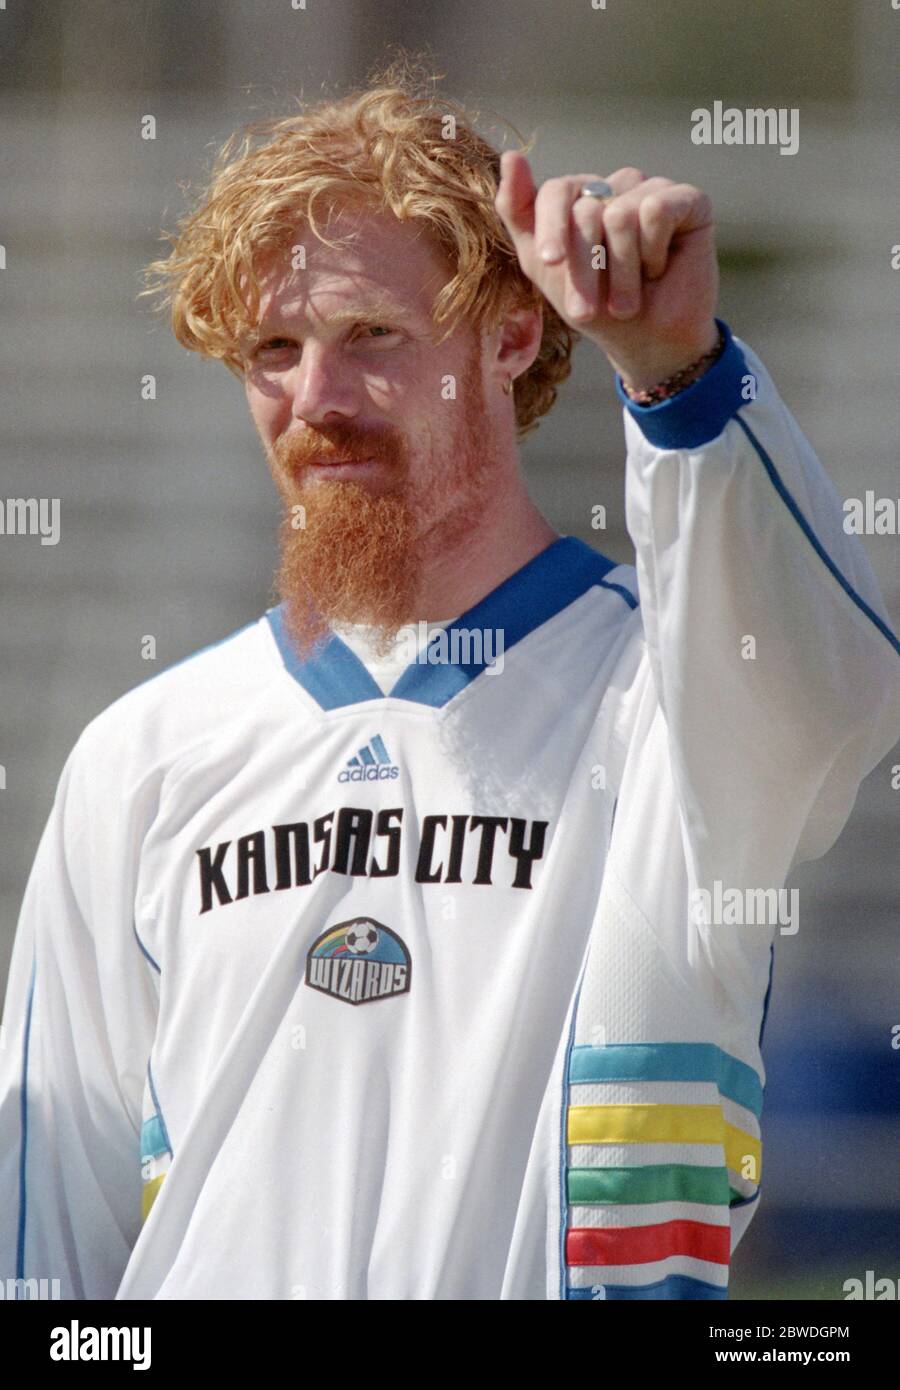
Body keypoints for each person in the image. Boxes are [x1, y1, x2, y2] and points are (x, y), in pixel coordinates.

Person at [1, 65, 897, 1302]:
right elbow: (48, 1246)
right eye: (273, 348)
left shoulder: (672, 700)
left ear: (512, 332)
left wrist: (676, 367)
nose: (314, 399)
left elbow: (833, 693)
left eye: (371, 336)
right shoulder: (140, 756)